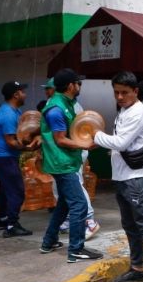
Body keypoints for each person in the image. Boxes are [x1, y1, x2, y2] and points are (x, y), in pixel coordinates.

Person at [93, 71, 143, 282]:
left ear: (135, 91)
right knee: (130, 225)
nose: (119, 96)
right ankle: (137, 268)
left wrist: (94, 135)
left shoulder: (137, 112)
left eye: (124, 92)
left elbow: (120, 142)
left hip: (137, 178)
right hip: (124, 176)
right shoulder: (125, 110)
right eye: (116, 92)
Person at [38, 69, 103, 263]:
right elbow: (60, 139)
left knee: (65, 205)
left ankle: (48, 242)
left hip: (66, 162)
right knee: (79, 205)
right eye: (78, 83)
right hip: (62, 164)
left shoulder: (66, 104)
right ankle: (76, 249)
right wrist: (85, 144)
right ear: (70, 86)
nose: (80, 86)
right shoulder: (56, 109)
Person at [0, 81, 38, 237]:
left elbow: (21, 133)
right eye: (23, 91)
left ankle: (2, 217)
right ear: (16, 95)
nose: (25, 94)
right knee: (17, 191)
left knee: (5, 188)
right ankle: (11, 226)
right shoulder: (8, 114)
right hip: (4, 157)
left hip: (2, 156)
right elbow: (11, 141)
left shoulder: (14, 111)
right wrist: (28, 148)